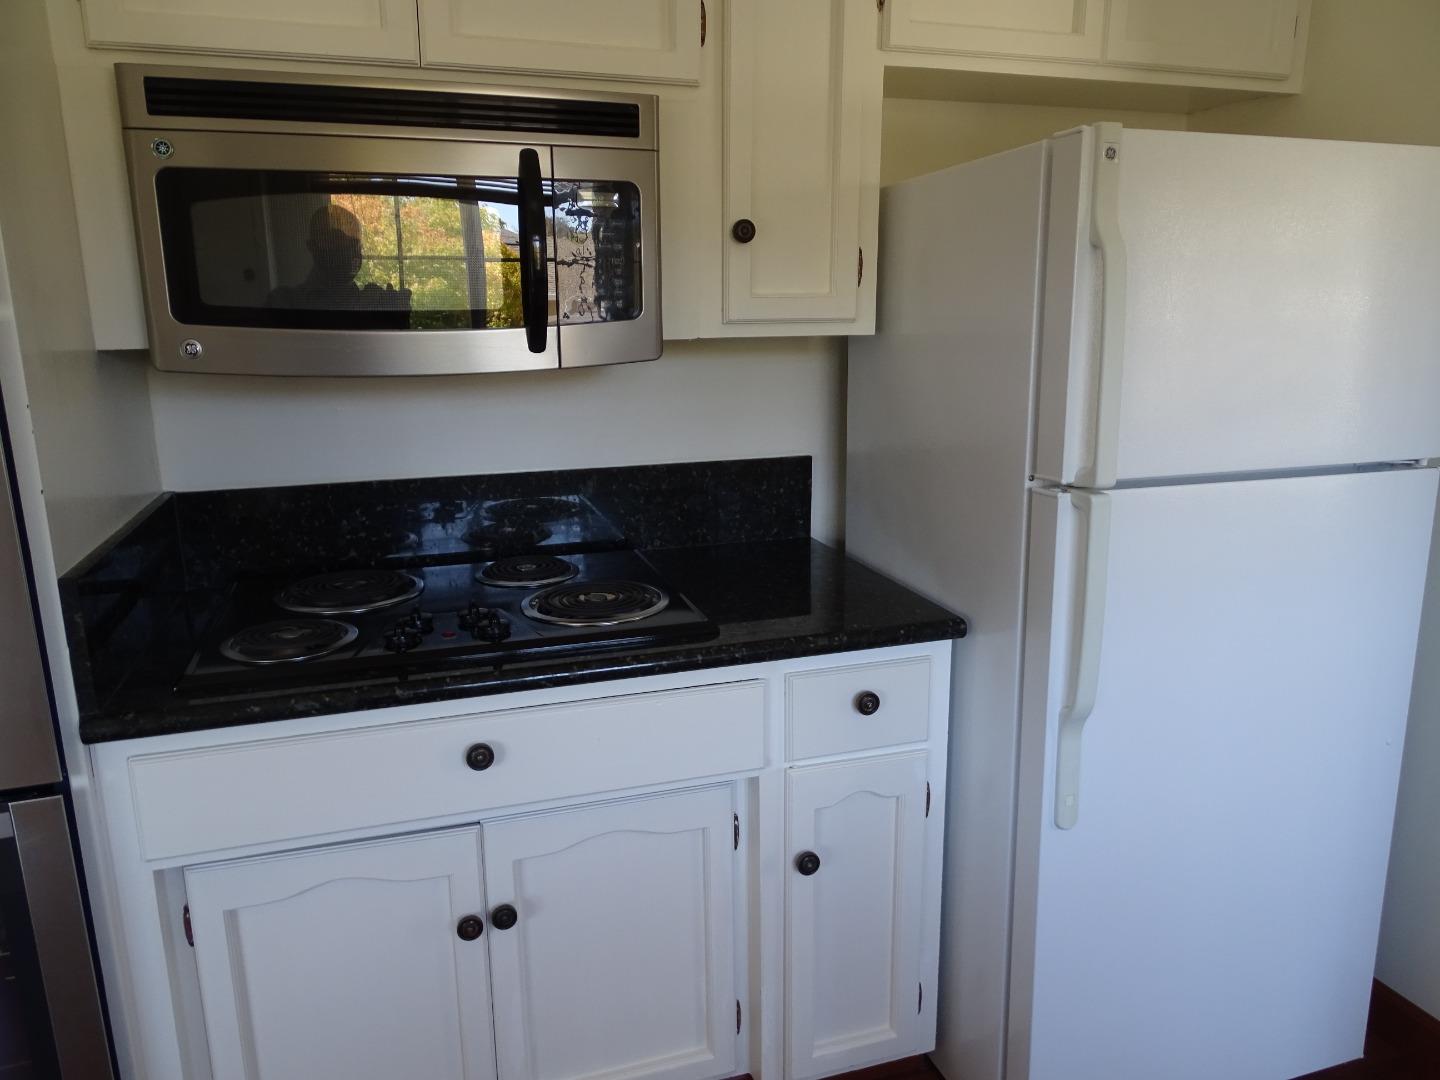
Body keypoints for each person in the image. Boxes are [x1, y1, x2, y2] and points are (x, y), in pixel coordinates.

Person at [267, 203, 412, 313]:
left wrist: (400, 314)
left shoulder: (377, 300)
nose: (350, 252)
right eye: (334, 240)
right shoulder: (283, 302)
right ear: (311, 246)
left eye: (355, 244)